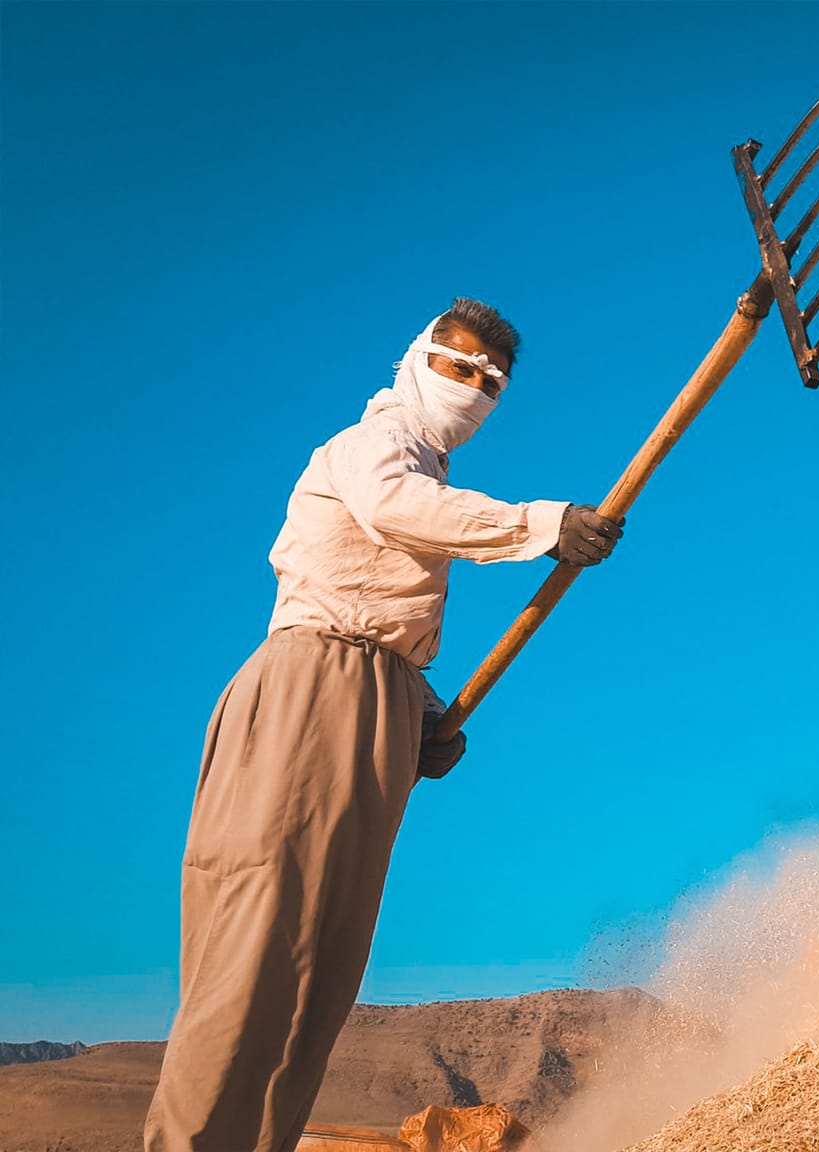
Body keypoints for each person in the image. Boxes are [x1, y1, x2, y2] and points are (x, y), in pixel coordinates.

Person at [143, 299, 621, 1152]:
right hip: (310, 684)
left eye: (491, 381)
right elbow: (393, 511)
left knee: (321, 974)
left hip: (379, 698)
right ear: (416, 358)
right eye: (458, 364)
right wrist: (540, 525)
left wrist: (425, 715)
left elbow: (384, 609)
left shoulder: (428, 465)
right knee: (254, 945)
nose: (472, 386)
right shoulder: (375, 443)